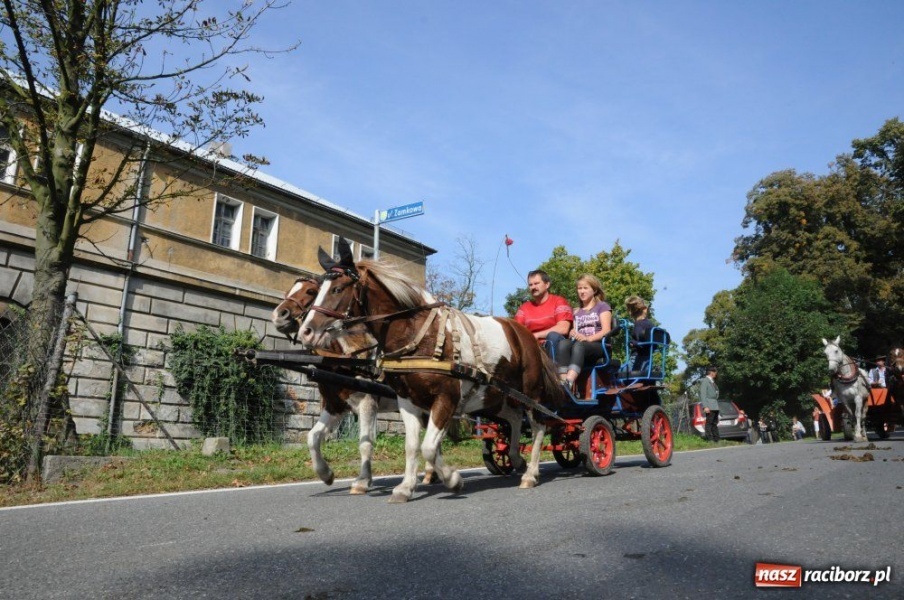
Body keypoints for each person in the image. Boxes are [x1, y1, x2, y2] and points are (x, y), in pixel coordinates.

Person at [555, 274, 612, 392]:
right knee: (563, 344)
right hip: (580, 345)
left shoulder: (602, 307)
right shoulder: (576, 312)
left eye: (585, 288)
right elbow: (575, 331)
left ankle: (569, 382)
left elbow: (606, 330)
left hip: (598, 346)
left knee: (579, 345)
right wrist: (572, 332)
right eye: (579, 288)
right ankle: (563, 382)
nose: (582, 291)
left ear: (594, 290)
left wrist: (588, 338)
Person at [514, 269, 573, 356]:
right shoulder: (524, 308)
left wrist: (536, 335)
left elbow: (563, 329)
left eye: (536, 283)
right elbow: (516, 331)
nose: (533, 287)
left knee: (553, 336)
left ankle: (553, 365)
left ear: (547, 284)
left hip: (555, 347)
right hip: (532, 349)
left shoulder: (559, 301)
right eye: (530, 285)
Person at [624, 295, 654, 374]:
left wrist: (632, 343)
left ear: (630, 312)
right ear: (645, 309)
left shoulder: (638, 325)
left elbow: (641, 343)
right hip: (648, 359)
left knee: (615, 375)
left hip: (637, 359)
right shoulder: (650, 324)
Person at [699, 365, 720, 442]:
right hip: (709, 405)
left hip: (715, 405)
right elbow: (703, 394)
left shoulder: (712, 381)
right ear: (711, 372)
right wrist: (705, 406)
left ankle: (716, 439)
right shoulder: (705, 381)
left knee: (714, 423)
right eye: (715, 372)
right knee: (709, 423)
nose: (716, 374)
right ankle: (709, 439)